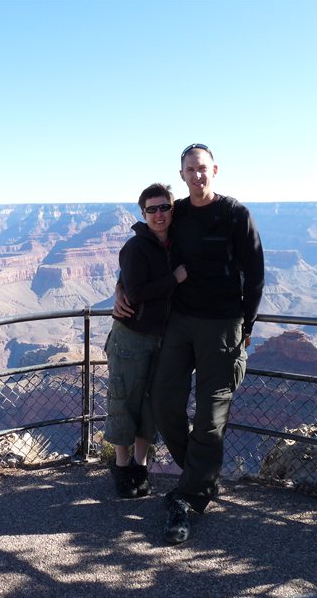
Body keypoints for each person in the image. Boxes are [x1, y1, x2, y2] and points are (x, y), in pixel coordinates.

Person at [114, 144, 264, 543]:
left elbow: (255, 273)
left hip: (222, 325)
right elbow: (146, 245)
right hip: (179, 323)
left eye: (202, 168)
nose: (197, 175)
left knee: (211, 417)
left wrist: (246, 324)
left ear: (215, 170)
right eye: (190, 170)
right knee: (164, 403)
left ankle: (187, 497)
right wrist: (120, 286)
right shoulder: (176, 211)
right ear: (181, 175)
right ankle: (201, 476)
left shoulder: (235, 214)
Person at [104, 182, 187, 498]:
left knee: (150, 404)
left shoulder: (177, 243)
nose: (159, 214)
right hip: (131, 338)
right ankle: (122, 467)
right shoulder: (136, 247)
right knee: (124, 401)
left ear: (172, 209)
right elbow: (136, 293)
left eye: (164, 207)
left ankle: (140, 466)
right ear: (143, 213)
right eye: (152, 209)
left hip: (162, 339)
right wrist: (174, 279)